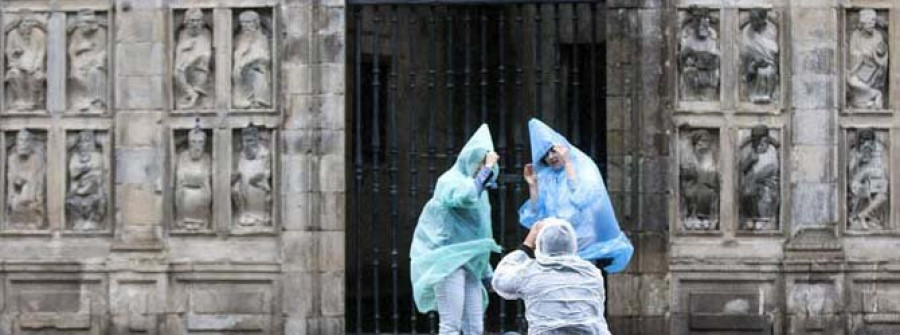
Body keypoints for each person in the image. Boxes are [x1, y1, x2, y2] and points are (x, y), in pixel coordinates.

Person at [410, 124, 501, 335]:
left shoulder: (482, 193)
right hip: (448, 261)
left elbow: (481, 234)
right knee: (451, 326)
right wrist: (486, 169)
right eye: (479, 162)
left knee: (475, 328)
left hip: (471, 264)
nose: (482, 168)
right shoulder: (450, 181)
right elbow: (464, 197)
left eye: (485, 164)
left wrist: (487, 272)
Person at [519, 119, 632, 273]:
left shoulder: (584, 169)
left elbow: (582, 199)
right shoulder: (546, 177)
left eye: (553, 150)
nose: (551, 156)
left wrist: (568, 164)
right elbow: (534, 217)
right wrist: (533, 186)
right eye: (545, 154)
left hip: (583, 243)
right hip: (556, 246)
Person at [493, 218, 612, 335]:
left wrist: (527, 245)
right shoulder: (591, 273)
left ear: (540, 243)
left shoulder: (530, 273)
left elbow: (500, 281)